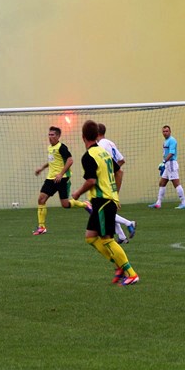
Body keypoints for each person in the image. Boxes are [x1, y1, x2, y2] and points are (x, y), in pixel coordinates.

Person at [71, 120, 140, 286]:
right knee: (90, 237)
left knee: (107, 239)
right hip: (105, 200)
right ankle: (119, 266)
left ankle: (130, 273)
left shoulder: (89, 156)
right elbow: (120, 172)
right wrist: (115, 193)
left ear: (83, 137)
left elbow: (91, 181)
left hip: (102, 201)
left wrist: (77, 193)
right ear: (96, 135)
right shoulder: (104, 153)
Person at [32, 126, 87, 235]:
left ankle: (85, 205)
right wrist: (41, 168)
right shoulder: (50, 148)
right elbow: (52, 161)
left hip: (62, 179)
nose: (50, 137)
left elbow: (70, 160)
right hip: (50, 178)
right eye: (49, 134)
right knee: (41, 199)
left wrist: (61, 174)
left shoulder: (62, 147)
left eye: (52, 135)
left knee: (65, 204)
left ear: (58, 136)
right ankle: (41, 227)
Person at [97, 123, 135, 243]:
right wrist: (113, 171)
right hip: (112, 179)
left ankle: (129, 223)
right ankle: (122, 237)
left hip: (105, 181)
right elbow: (121, 160)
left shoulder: (100, 145)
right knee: (108, 208)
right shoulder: (110, 143)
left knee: (102, 209)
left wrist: (107, 173)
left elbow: (102, 161)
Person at [149, 125, 185, 209]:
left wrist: (164, 161)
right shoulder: (165, 141)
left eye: (167, 131)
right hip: (167, 164)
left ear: (170, 132)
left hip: (171, 164)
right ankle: (158, 203)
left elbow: (171, 153)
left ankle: (184, 203)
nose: (165, 133)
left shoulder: (172, 140)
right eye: (163, 131)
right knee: (162, 183)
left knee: (176, 184)